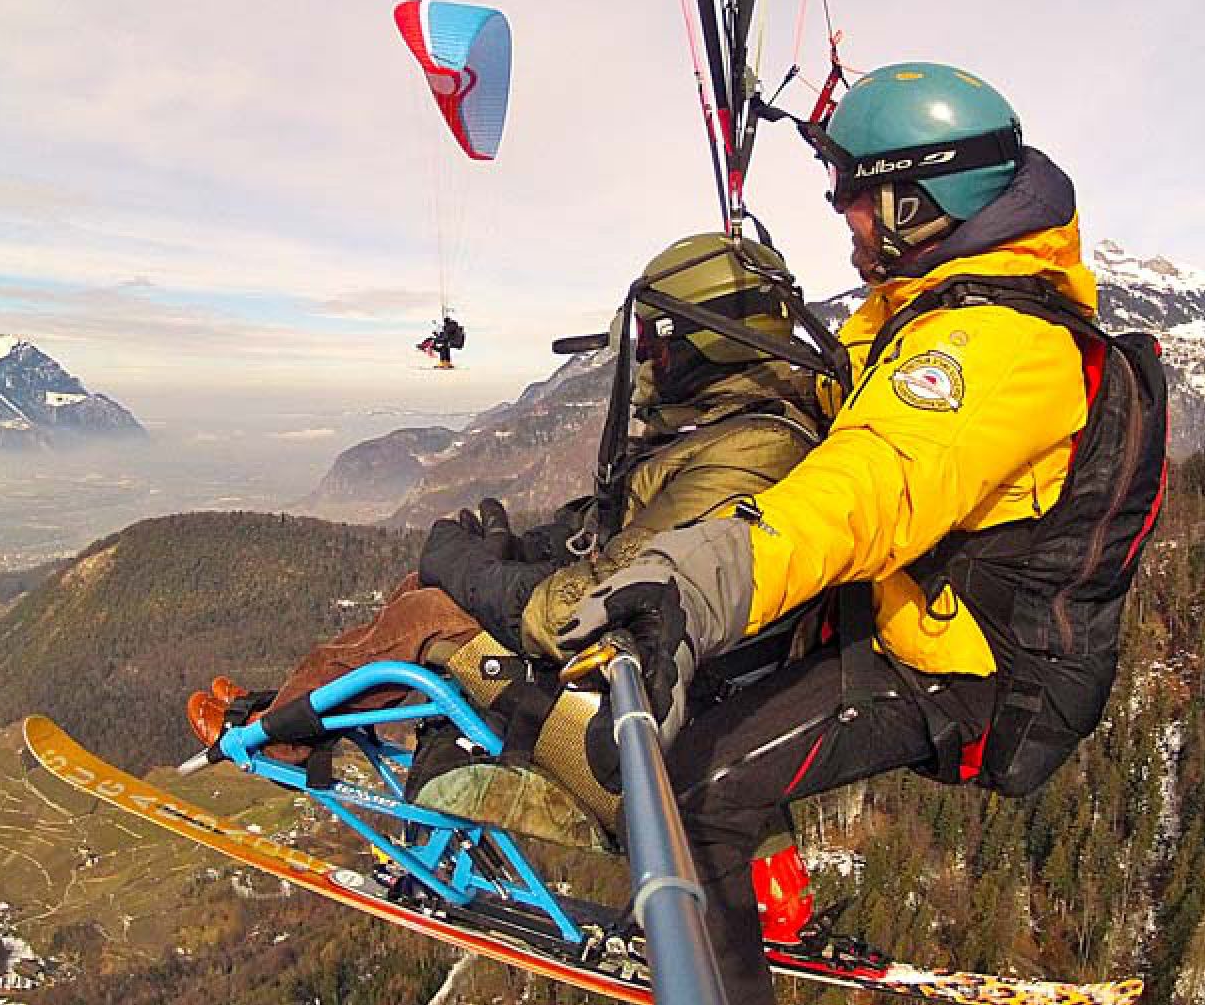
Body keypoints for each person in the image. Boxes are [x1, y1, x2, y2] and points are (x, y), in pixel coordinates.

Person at [503, 62, 1168, 1005]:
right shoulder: (931, 306)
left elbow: (864, 487)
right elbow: (847, 412)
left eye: (855, 198)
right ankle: (765, 901)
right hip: (905, 613)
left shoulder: (989, 351)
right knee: (720, 689)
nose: (843, 218)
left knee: (697, 791)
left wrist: (698, 583)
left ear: (915, 198)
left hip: (960, 670)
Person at [186, 233, 827, 857]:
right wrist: (509, 548)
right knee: (424, 593)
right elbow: (607, 536)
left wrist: (469, 567)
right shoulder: (714, 433)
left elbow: (593, 603)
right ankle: (290, 713)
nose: (650, 363)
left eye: (658, 344)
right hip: (629, 679)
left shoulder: (751, 452)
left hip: (644, 722)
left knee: (426, 611)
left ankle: (272, 737)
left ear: (702, 345)